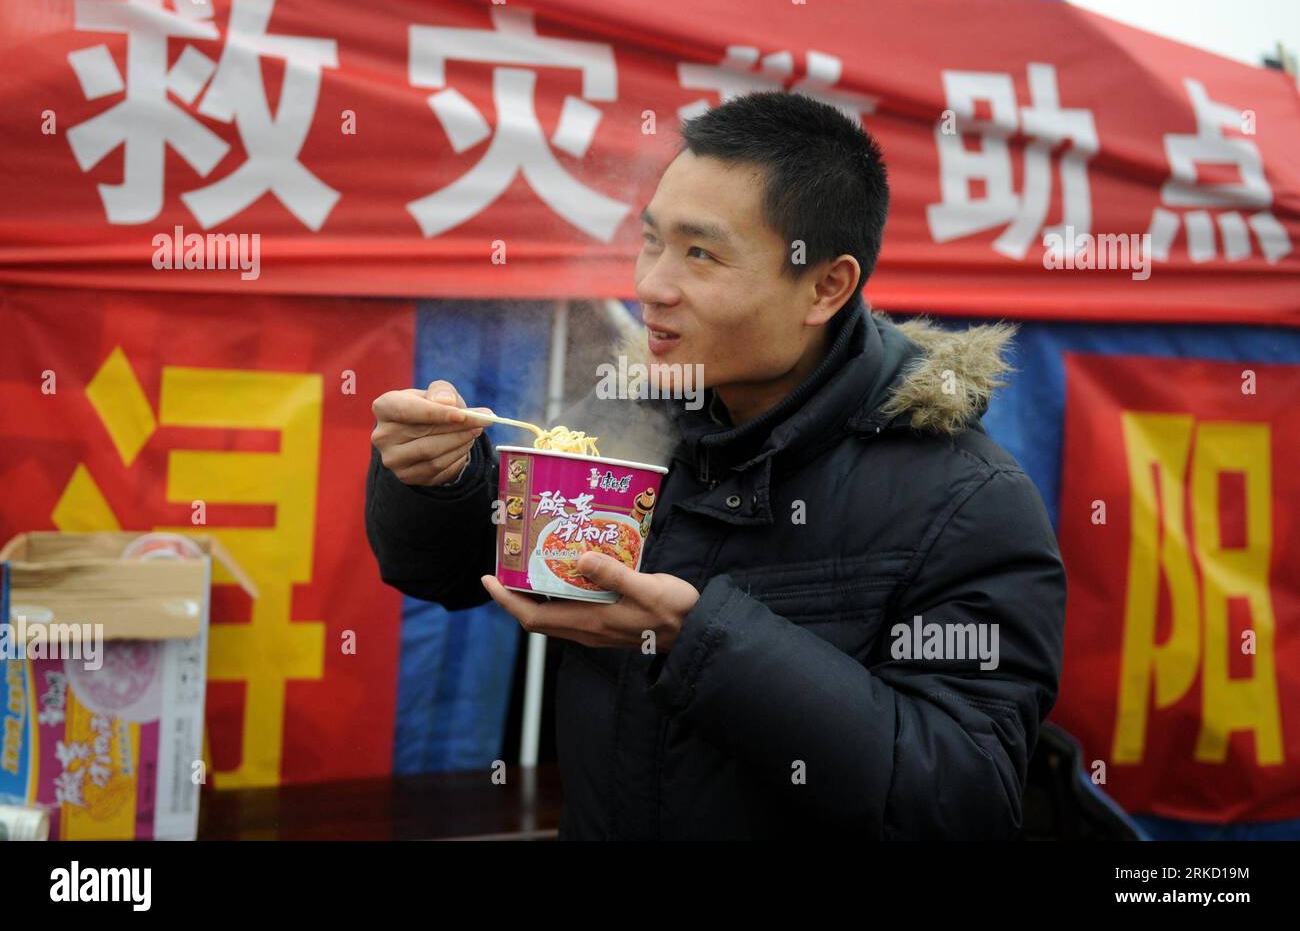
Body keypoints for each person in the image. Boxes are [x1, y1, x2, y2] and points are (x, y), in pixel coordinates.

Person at [366, 91, 1067, 839]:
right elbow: (448, 572)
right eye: (651, 241)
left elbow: (966, 794)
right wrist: (437, 481)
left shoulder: (967, 501)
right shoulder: (624, 422)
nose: (651, 287)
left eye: (700, 254)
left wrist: (695, 637)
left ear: (825, 286)